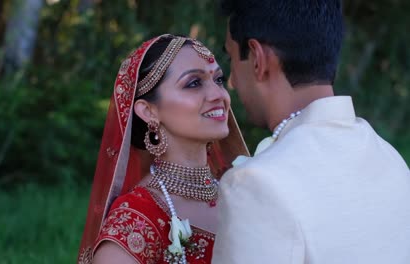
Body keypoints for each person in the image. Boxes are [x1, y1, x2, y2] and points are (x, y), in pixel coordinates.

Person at [213, 0, 410, 263]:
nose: (233, 82)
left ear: (258, 59)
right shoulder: (391, 160)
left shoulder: (256, 184)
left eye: (232, 57)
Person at [76, 34, 249, 264]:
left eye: (218, 79)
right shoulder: (136, 220)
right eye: (194, 83)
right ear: (148, 111)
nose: (219, 95)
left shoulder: (241, 195)